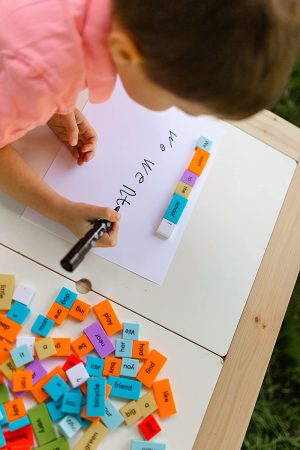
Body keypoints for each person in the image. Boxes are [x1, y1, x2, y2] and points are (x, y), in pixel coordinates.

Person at [0, 0, 299, 247]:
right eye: (177, 104)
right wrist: (62, 210)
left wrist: (56, 105)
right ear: (126, 52)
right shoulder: (39, 77)